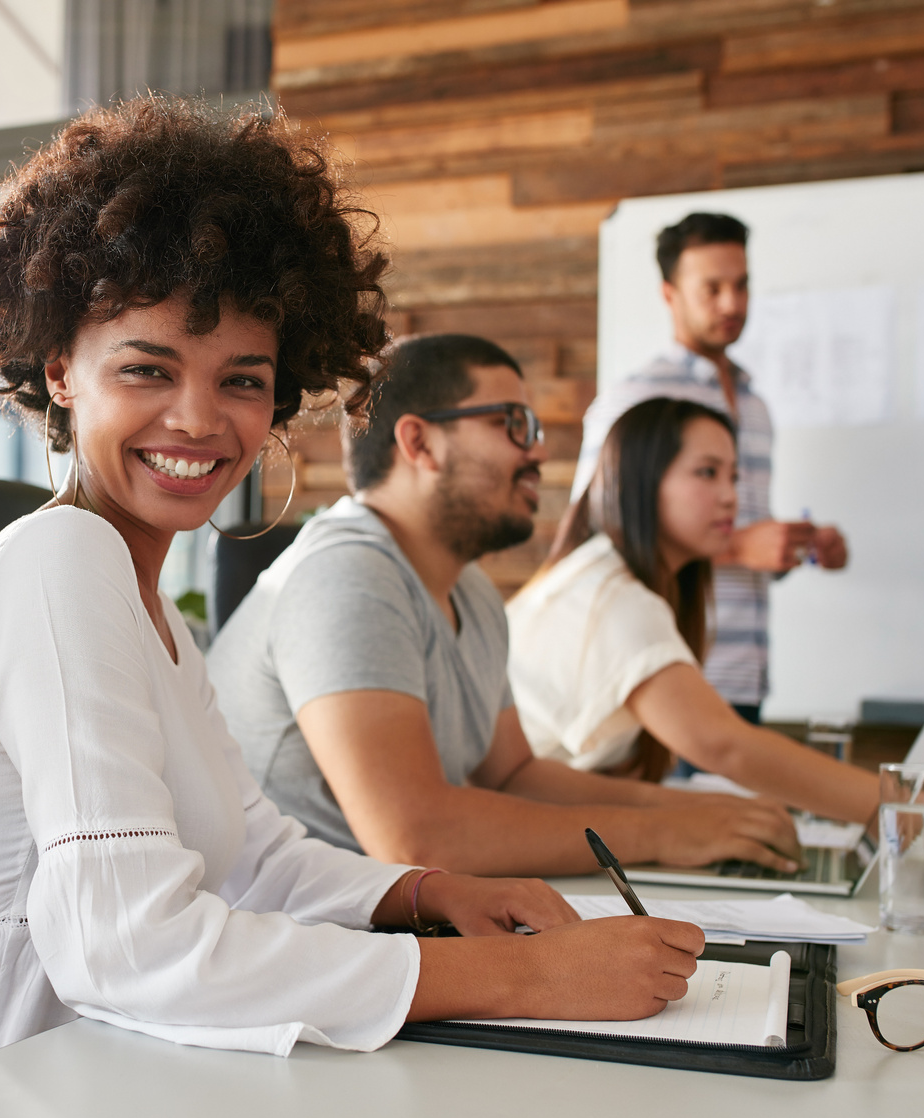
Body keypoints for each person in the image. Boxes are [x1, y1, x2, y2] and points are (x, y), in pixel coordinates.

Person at [0, 99, 704, 1060]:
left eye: (241, 380)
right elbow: (128, 943)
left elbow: (255, 853)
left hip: (108, 1074)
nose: (198, 419)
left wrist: (425, 891)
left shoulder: (154, 613)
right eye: (147, 369)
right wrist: (530, 976)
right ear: (61, 371)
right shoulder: (61, 560)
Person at [208, 334, 803, 878]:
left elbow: (514, 776)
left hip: (385, 926)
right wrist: (663, 831)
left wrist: (696, 812)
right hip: (301, 947)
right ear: (420, 443)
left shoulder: (470, 593)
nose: (538, 451)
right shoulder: (346, 575)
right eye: (513, 424)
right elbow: (416, 838)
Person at [509, 396, 924, 856]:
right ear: (643, 481)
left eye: (734, 476)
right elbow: (725, 746)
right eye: (706, 472)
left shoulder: (608, 575)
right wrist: (912, 809)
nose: (730, 495)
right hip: (512, 841)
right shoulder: (614, 597)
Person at [574, 212, 844, 725]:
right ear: (669, 294)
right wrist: (741, 545)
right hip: (665, 670)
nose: (733, 304)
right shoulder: (637, 398)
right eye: (712, 288)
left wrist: (794, 546)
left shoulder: (756, 406)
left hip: (746, 676)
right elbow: (594, 531)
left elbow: (728, 530)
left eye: (742, 286)